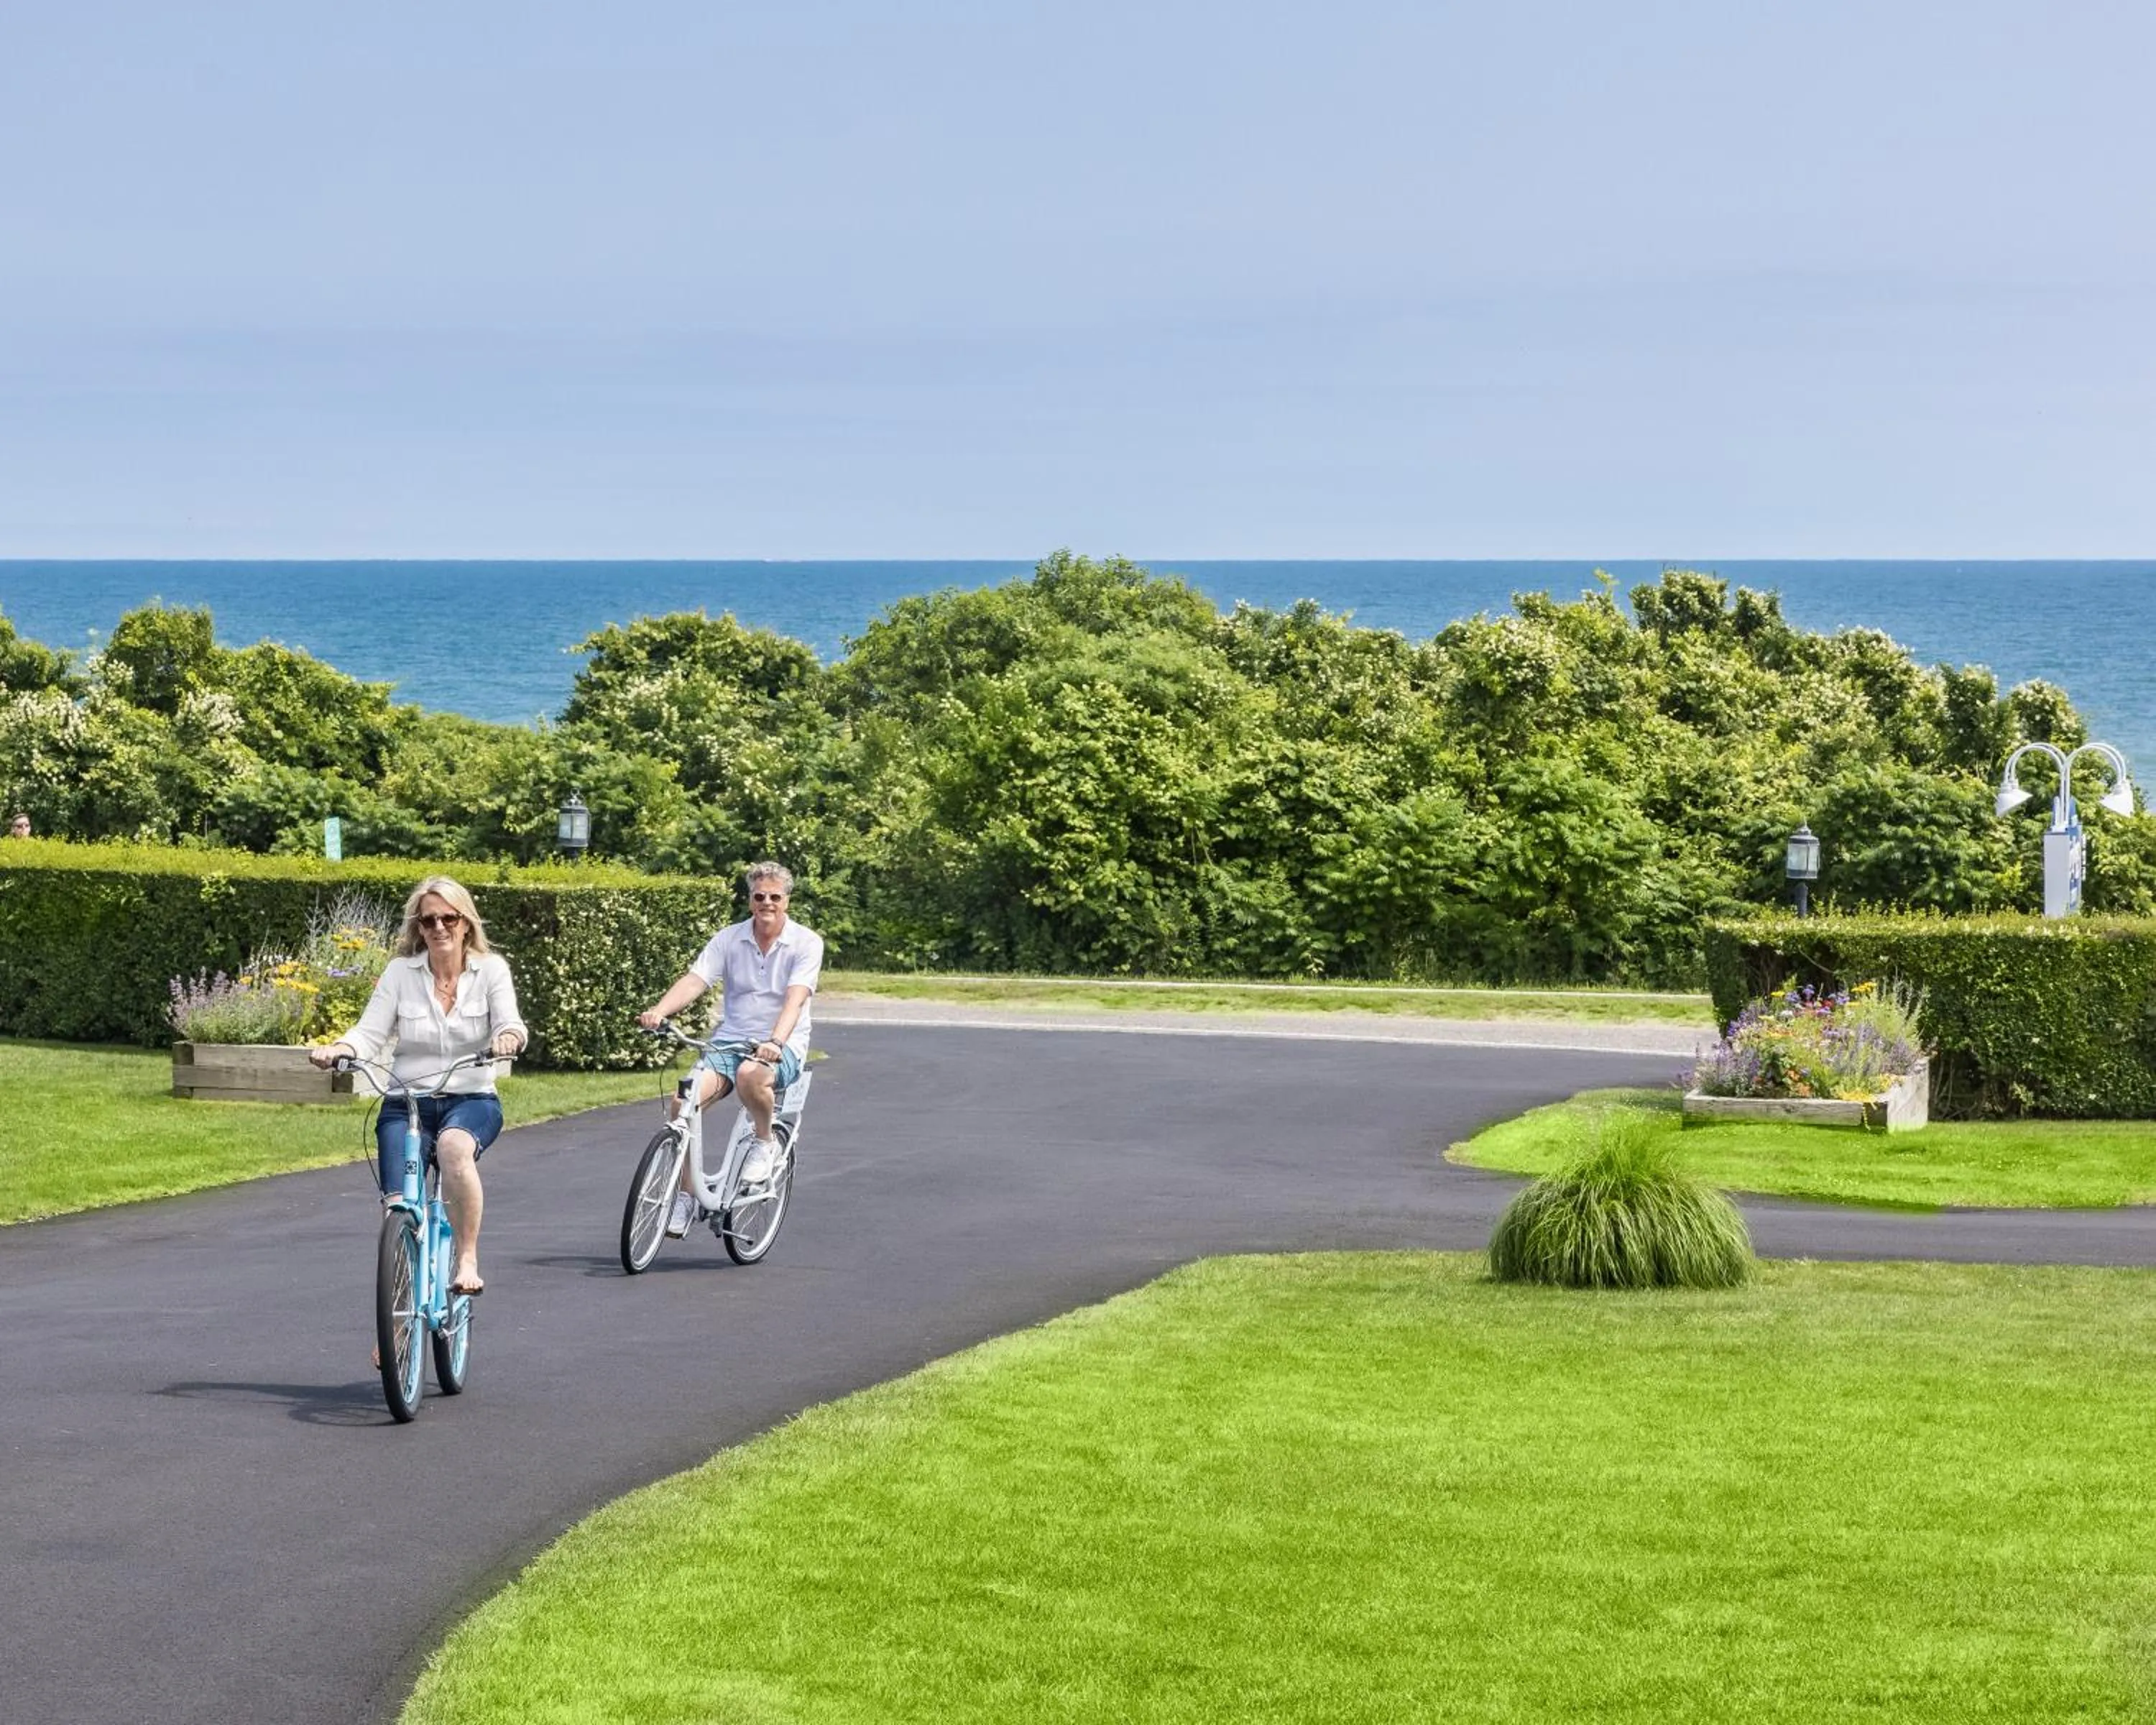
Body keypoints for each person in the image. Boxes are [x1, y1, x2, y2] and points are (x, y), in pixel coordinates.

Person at [310, 876, 526, 1297]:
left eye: (449, 918)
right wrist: (339, 1047)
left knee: (453, 1149)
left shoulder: (491, 971)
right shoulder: (399, 974)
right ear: (418, 928)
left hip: (472, 1098)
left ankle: (466, 1259)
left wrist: (508, 1039)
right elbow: (369, 1033)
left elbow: (510, 1023)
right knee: (398, 1210)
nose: (440, 928)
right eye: (429, 921)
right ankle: (397, 1330)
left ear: (466, 923)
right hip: (406, 1102)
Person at [638, 861, 823, 1237]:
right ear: (749, 900)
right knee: (682, 1102)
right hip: (730, 1040)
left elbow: (796, 999)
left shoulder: (807, 943)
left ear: (787, 900)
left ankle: (764, 1141)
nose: (766, 903)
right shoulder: (729, 938)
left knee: (750, 1076)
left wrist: (775, 1041)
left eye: (775, 897)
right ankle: (688, 1197)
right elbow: (696, 980)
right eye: (759, 897)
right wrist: (659, 1010)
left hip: (781, 1043)